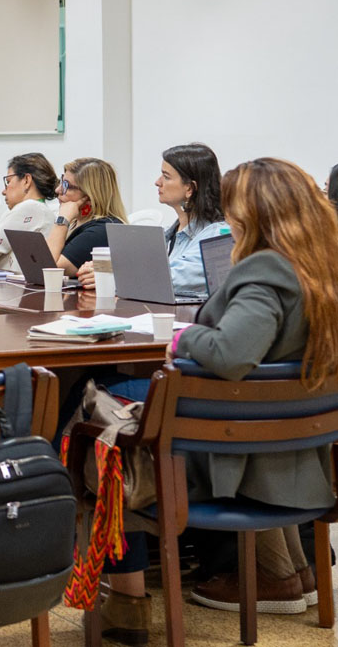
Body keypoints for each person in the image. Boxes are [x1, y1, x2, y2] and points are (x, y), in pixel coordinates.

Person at [85, 158, 338, 644]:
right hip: (298, 458)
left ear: (255, 213)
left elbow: (231, 353)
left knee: (101, 434)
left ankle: (125, 600)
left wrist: (183, 340)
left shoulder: (266, 270)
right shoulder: (319, 268)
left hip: (231, 465)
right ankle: (289, 570)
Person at [84, 143, 224, 294]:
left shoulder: (217, 236)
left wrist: (110, 276)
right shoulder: (170, 234)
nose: (158, 182)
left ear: (189, 188)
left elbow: (170, 279)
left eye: (166, 177)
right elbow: (138, 264)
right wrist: (101, 268)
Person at [46, 157, 127, 277]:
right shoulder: (77, 223)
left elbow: (49, 270)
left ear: (89, 196)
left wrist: (62, 220)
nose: (58, 190)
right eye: (61, 182)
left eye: (67, 185)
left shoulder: (100, 230)